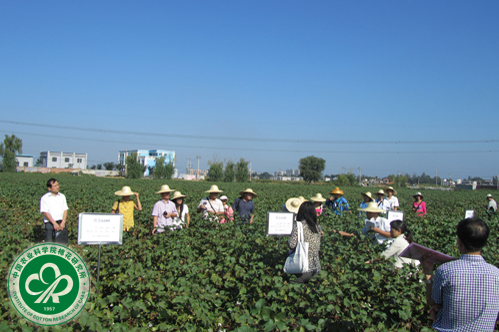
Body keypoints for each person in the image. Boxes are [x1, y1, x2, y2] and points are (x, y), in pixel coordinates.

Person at [422, 218, 499, 331]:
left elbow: (433, 301)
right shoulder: (496, 274)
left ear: (460, 242)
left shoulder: (446, 270)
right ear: (484, 242)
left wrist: (428, 272)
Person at [287, 201, 322, 284]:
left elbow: (291, 245)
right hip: (316, 267)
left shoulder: (299, 225)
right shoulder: (318, 227)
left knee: (292, 284)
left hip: (302, 267)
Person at [40, 178, 68, 243]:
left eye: (57, 185)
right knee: (49, 244)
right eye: (55, 186)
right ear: (49, 188)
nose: (57, 187)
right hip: (50, 224)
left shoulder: (62, 196)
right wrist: (54, 223)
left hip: (61, 224)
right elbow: (45, 212)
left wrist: (63, 222)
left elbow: (65, 209)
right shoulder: (45, 198)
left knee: (62, 245)